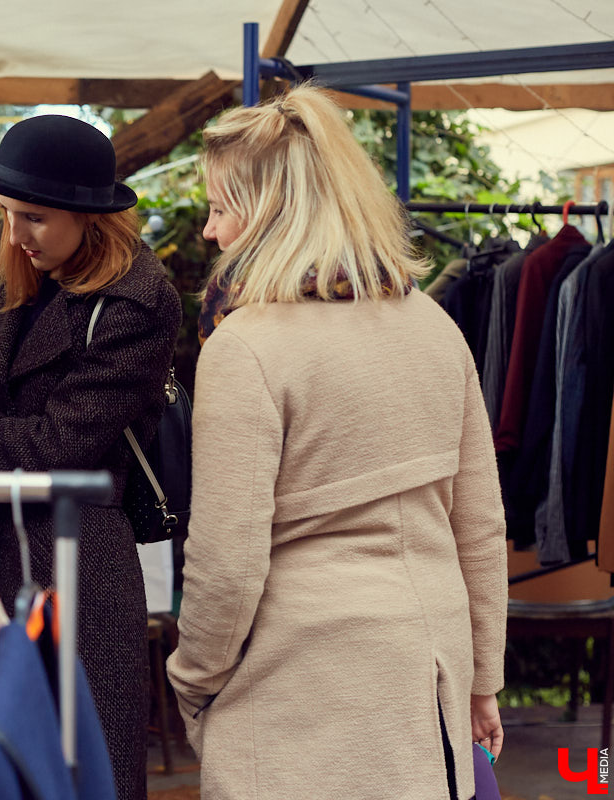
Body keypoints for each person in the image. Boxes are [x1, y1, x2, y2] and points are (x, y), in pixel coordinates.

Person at [167, 85, 507, 800]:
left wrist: (192, 682)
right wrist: (482, 680)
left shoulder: (246, 347)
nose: (209, 232)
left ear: (270, 217)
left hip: (302, 688)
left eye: (222, 208)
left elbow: (227, 563)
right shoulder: (433, 327)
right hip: (430, 684)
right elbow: (479, 526)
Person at [0, 114, 182, 800]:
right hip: (5, 546)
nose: (12, 235)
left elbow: (57, 449)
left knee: (80, 768)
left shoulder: (137, 302)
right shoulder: (32, 278)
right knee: (5, 762)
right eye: (5, 213)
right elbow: (16, 417)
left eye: (32, 217)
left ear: (90, 217)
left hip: (80, 561)